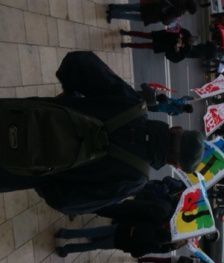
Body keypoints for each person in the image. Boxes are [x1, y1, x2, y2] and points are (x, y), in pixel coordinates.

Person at [0, 51, 204, 215]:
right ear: (176, 165)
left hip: (15, 118)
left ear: (176, 129)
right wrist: (45, 173)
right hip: (16, 168)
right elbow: (65, 202)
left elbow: (78, 62)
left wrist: (70, 99)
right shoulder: (134, 179)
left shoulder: (132, 105)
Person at [120, 28, 193, 63]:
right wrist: (179, 37)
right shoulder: (187, 33)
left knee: (144, 45)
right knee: (143, 34)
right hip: (163, 36)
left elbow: (178, 57)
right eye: (190, 39)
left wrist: (177, 49)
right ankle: (127, 33)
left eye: (191, 42)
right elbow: (177, 29)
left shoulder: (187, 49)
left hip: (164, 46)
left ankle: (127, 45)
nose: (189, 41)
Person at [107, 0, 197, 26]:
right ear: (189, 10)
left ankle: (112, 7)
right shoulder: (179, 11)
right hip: (153, 15)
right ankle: (112, 14)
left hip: (152, 5)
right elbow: (166, 21)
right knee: (130, 16)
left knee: (130, 7)